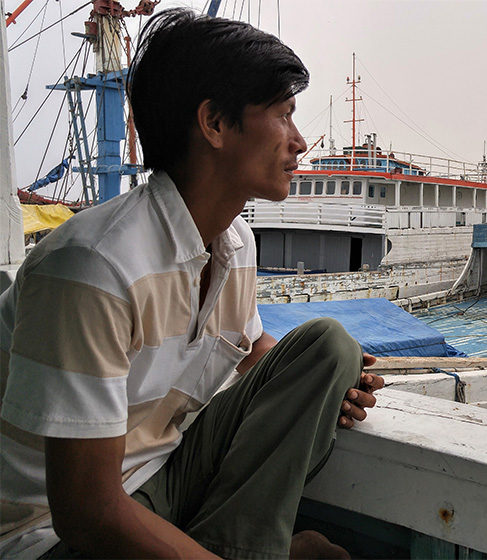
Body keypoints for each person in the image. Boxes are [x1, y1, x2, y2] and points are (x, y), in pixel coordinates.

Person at [0, 8, 383, 559]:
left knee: (329, 347)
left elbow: (251, 352)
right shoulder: (93, 269)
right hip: (51, 536)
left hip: (164, 477)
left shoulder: (236, 243)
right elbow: (87, 511)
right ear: (215, 124)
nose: (300, 142)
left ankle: (245, 547)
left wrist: (336, 383)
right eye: (284, 114)